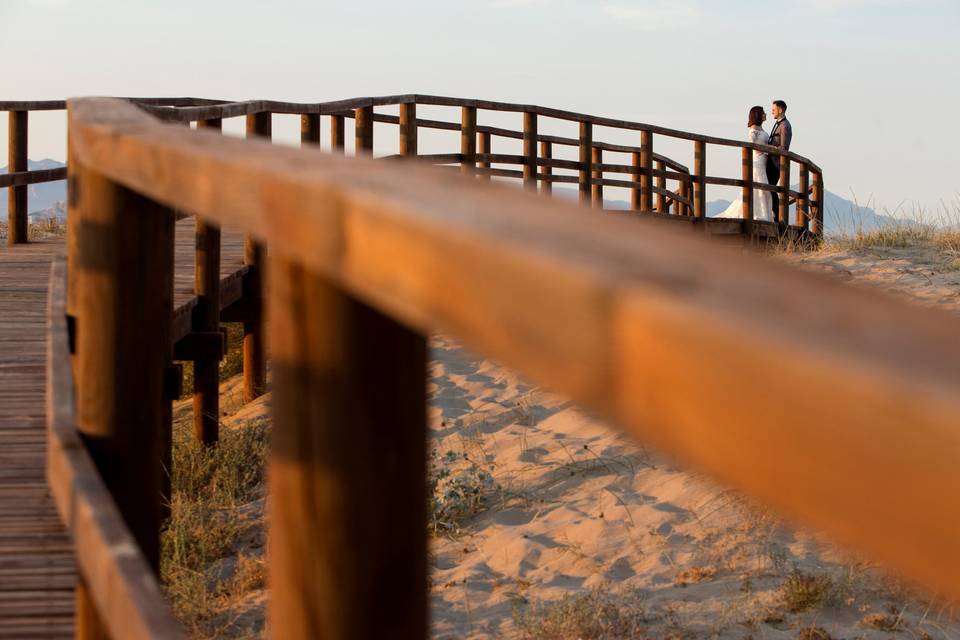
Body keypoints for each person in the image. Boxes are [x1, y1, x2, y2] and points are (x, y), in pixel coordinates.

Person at [714, 106, 774, 222]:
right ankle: (757, 213)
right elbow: (754, 146)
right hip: (758, 160)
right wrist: (769, 148)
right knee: (760, 185)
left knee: (763, 187)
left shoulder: (761, 128)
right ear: (758, 115)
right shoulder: (753, 130)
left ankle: (763, 213)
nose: (766, 114)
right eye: (763, 113)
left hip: (763, 160)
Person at [766, 100, 792, 215]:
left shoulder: (785, 126)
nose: (772, 112)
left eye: (774, 110)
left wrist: (770, 149)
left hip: (776, 164)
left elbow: (784, 148)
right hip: (770, 162)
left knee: (771, 188)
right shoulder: (778, 124)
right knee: (769, 188)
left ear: (780, 110)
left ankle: (777, 215)